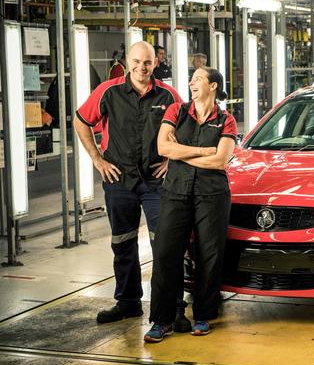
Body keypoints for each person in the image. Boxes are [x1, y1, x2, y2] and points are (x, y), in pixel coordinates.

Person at [74, 41, 183, 323]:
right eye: (136, 62)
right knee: (123, 243)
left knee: (166, 245)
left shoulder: (169, 96)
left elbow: (187, 129)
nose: (141, 68)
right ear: (126, 62)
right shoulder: (108, 91)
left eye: (147, 63)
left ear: (155, 64)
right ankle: (128, 302)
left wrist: (171, 161)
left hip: (156, 182)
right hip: (119, 179)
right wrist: (97, 159)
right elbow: (81, 121)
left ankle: (171, 306)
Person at [145, 68, 236, 342]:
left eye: (197, 79)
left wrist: (181, 154)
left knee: (209, 256)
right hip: (176, 192)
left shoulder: (226, 120)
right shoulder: (176, 111)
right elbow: (163, 148)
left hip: (212, 195)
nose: (190, 83)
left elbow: (221, 161)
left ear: (213, 86)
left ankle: (203, 316)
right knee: (164, 254)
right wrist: (203, 151)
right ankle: (162, 320)